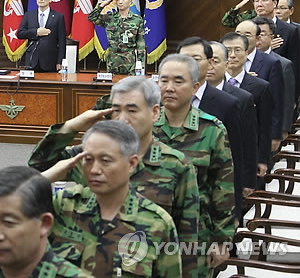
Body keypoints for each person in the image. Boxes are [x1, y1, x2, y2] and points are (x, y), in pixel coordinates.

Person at [29, 76, 199, 278]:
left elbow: (187, 239)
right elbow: (40, 164)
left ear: (154, 113)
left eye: (132, 110)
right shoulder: (87, 157)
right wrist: (71, 126)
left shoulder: (176, 166)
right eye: (116, 110)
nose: (122, 119)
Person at [43, 120, 182, 278]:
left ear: (131, 163)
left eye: (105, 161)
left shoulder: (157, 223)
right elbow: (18, 251)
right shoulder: (64, 205)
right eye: (88, 160)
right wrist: (44, 179)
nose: (95, 170)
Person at [152, 54, 236, 278]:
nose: (169, 88)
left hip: (193, 237)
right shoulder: (144, 126)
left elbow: (223, 188)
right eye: (164, 80)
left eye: (178, 81)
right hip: (145, 234)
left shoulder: (212, 130)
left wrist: (222, 241)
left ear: (195, 87)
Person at [175, 37, 244, 221]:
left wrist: (233, 214)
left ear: (210, 62)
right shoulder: (160, 102)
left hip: (207, 210)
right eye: (184, 59)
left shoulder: (228, 104)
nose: (189, 65)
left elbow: (234, 160)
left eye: (196, 59)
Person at [206, 41, 258, 200]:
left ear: (226, 64)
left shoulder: (241, 98)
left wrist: (247, 181)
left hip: (227, 177)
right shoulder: (187, 96)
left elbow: (247, 143)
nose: (209, 66)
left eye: (215, 61)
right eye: (205, 61)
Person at [221, 32, 272, 180]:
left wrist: (262, 159)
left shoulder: (261, 87)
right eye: (227, 51)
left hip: (247, 153)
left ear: (247, 52)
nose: (232, 55)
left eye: (237, 50)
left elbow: (264, 127)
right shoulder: (212, 86)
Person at [236, 19, 284, 151]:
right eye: (238, 33)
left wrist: (275, 135)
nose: (241, 38)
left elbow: (276, 101)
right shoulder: (226, 61)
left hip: (258, 128)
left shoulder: (271, 62)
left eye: (246, 35)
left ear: (257, 39)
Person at [253, 17, 295, 139]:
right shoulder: (240, 61)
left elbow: (287, 101)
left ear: (272, 37)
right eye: (253, 34)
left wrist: (283, 129)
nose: (257, 38)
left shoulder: (283, 64)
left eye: (262, 34)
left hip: (270, 126)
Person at [88, 0, 146, 74]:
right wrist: (102, 5)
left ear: (130, 1)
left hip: (130, 63)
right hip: (113, 61)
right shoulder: (110, 18)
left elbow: (141, 44)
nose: (120, 2)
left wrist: (140, 65)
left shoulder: (137, 20)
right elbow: (91, 17)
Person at [17, 0, 67, 72]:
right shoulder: (29, 15)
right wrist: (36, 32)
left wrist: (60, 61)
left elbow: (62, 41)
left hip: (50, 61)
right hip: (32, 60)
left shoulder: (59, 17)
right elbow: (20, 33)